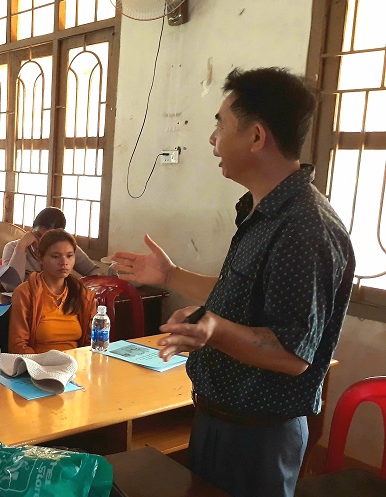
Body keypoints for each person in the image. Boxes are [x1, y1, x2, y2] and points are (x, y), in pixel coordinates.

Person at [112, 68, 356, 497]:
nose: (212, 139)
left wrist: (214, 330)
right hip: (219, 418)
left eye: (221, 125)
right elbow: (240, 296)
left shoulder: (304, 226)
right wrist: (170, 275)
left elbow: (292, 352)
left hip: (258, 438)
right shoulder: (263, 212)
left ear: (256, 136)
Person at [8, 229, 95, 354]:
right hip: (38, 363)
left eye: (69, 256)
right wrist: (43, 363)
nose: (64, 262)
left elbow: (91, 342)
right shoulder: (25, 293)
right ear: (40, 258)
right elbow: (18, 345)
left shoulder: (82, 293)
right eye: (56, 256)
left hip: (77, 362)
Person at [2, 207, 100, 290]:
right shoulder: (13, 247)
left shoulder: (66, 249)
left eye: (48, 239)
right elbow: (10, 287)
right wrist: (21, 247)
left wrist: (81, 288)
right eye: (38, 235)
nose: (41, 242)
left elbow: (95, 272)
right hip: (23, 302)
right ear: (32, 229)